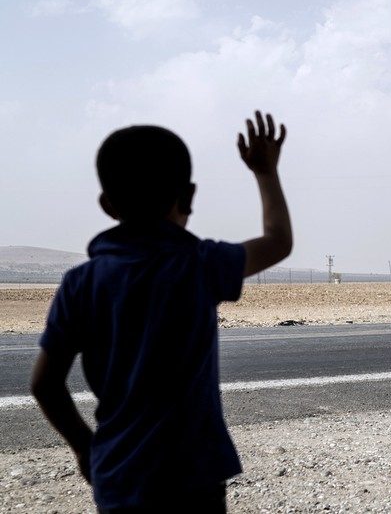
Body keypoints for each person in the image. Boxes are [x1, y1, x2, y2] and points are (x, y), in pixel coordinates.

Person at [30, 110, 293, 513]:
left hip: (119, 474)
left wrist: (85, 449)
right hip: (194, 475)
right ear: (188, 197)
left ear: (106, 203)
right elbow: (277, 241)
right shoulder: (198, 264)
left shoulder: (80, 282)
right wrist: (265, 171)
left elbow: (45, 385)